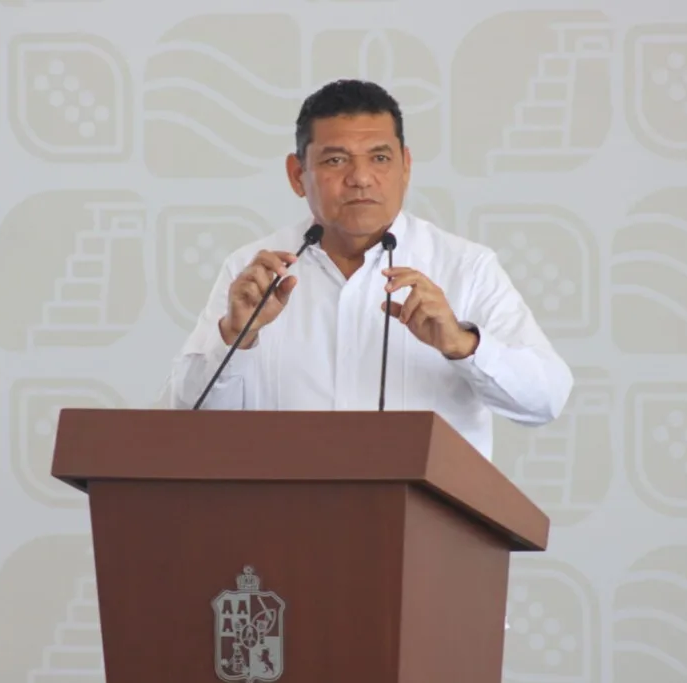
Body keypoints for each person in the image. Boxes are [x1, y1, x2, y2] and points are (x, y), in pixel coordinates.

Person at [162, 79, 573, 461]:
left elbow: (546, 399)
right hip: (281, 513)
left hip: (423, 518)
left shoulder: (466, 267)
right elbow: (182, 420)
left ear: (405, 166)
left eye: (379, 158)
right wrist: (236, 336)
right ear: (297, 175)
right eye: (336, 160)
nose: (360, 178)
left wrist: (463, 345)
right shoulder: (252, 271)